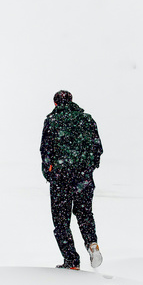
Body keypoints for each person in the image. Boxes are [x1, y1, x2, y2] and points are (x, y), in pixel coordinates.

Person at [40, 90, 104, 270]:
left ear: (55, 104)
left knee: (61, 220)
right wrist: (88, 169)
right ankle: (92, 244)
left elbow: (45, 151)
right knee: (84, 214)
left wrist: (50, 174)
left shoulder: (52, 121)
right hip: (83, 178)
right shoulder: (87, 119)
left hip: (61, 179)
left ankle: (71, 260)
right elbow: (97, 148)